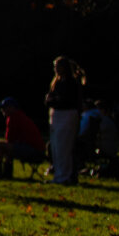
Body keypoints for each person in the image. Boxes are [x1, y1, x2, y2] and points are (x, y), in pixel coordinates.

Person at [45, 56, 85, 185]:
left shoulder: (71, 83)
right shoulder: (57, 82)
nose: (56, 69)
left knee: (64, 148)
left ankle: (65, 176)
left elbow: (66, 100)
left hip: (66, 115)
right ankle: (59, 174)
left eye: (58, 66)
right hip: (57, 115)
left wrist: (54, 100)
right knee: (56, 148)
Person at [0, 97, 46, 177]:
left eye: (4, 107)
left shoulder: (14, 117)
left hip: (34, 151)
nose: (2, 110)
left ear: (12, 108)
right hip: (37, 150)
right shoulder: (20, 116)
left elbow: (9, 139)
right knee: (5, 147)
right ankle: (5, 173)